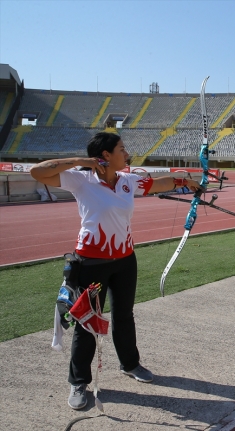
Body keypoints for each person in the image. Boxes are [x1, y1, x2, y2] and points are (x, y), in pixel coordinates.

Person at [30, 132, 202, 410]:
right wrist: (81, 161)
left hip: (124, 260)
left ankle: (130, 364)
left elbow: (160, 183)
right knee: (88, 323)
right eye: (121, 149)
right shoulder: (80, 179)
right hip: (91, 262)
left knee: (124, 315)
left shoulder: (127, 181)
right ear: (105, 156)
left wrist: (186, 181)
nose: (127, 153)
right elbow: (38, 172)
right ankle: (79, 382)